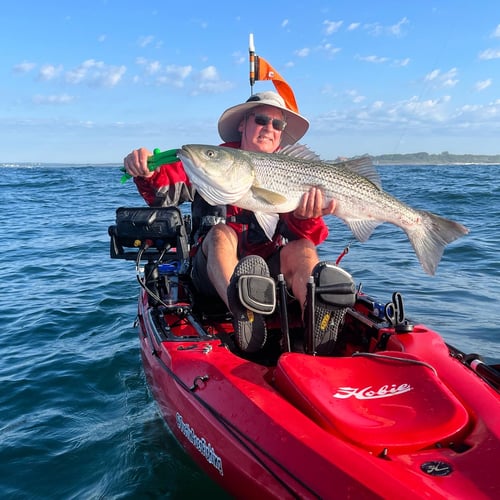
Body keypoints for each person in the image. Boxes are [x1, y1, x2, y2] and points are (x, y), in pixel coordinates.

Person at [123, 91, 340, 353]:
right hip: (213, 276)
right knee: (220, 233)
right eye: (261, 120)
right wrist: (149, 171)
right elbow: (165, 187)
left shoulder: (292, 169)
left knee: (303, 248)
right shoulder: (214, 159)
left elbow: (315, 237)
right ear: (242, 124)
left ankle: (319, 330)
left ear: (281, 133)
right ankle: (244, 314)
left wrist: (307, 216)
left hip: (270, 274)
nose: (268, 128)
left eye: (277, 124)